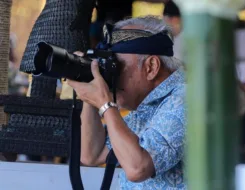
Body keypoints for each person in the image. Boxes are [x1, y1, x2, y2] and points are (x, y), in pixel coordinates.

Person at [68, 16, 186, 189]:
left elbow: (138, 168)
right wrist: (89, 82)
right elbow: (92, 154)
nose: (110, 76)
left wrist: (105, 104)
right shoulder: (147, 105)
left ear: (151, 67)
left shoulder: (185, 99)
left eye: (117, 66)